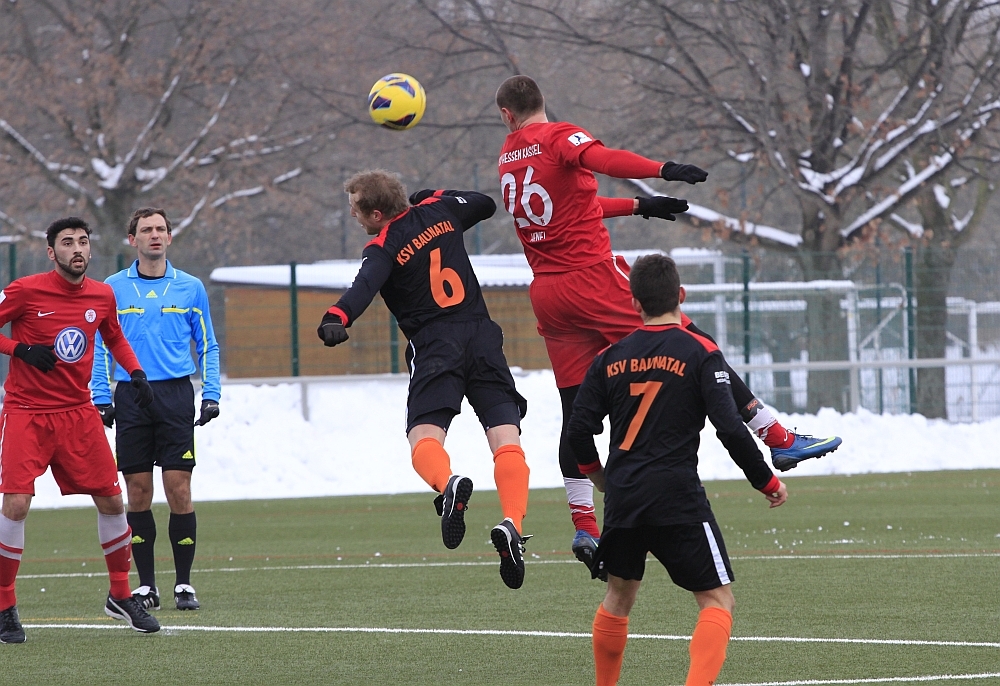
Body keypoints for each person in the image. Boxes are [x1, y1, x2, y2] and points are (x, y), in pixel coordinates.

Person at [495, 75, 840, 567]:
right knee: (695, 343)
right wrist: (662, 170)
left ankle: (584, 525)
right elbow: (605, 159)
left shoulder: (510, 155)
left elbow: (572, 209)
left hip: (548, 294)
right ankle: (777, 439)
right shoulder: (556, 136)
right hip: (591, 280)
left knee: (576, 413)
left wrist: (639, 206)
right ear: (540, 104)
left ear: (506, 115)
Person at [567, 254, 787, 686]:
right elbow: (730, 427)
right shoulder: (701, 351)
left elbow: (577, 432)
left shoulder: (610, 357)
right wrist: (766, 480)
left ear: (634, 304)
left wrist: (600, 480)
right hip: (676, 497)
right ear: (680, 296)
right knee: (717, 600)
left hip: (625, 498)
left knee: (618, 596)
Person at [317, 170, 532, 589]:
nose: (354, 218)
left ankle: (448, 484)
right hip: (482, 337)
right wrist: (435, 194)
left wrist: (336, 318)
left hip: (436, 346)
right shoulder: (441, 210)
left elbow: (363, 287)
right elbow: (485, 203)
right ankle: (511, 523)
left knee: (424, 437)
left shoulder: (381, 246)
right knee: (507, 440)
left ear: (377, 214)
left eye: (357, 211)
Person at [0, 217, 160, 642]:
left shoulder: (102, 294)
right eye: (67, 242)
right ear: (51, 252)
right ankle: (3, 605)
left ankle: (120, 595)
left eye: (83, 242)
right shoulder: (25, 290)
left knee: (111, 501)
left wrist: (137, 373)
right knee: (15, 505)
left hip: (78, 413)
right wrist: (21, 349)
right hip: (27, 413)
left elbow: (115, 338)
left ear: (90, 250)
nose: (77, 249)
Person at [90, 208, 220, 613]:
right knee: (138, 491)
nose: (154, 236)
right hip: (130, 396)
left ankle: (184, 584)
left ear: (170, 236)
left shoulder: (191, 287)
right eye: (146, 230)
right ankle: (146, 587)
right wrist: (101, 396)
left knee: (178, 489)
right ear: (132, 239)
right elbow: (98, 345)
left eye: (161, 229)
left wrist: (211, 393)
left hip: (176, 396)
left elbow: (208, 344)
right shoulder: (112, 288)